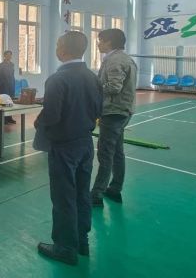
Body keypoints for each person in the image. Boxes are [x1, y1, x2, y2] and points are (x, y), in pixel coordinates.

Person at [34, 31, 102, 266]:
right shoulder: (92, 77)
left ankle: (64, 247)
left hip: (64, 146)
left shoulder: (57, 79)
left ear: (62, 50)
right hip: (85, 143)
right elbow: (99, 110)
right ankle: (82, 241)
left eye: (57, 45)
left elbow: (51, 116)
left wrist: (39, 122)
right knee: (82, 193)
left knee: (63, 197)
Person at [91, 28, 138, 207]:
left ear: (109, 42)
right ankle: (115, 189)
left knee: (105, 154)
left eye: (101, 40)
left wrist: (93, 88)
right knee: (117, 152)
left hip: (113, 112)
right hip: (123, 111)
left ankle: (96, 194)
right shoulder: (125, 58)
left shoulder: (115, 60)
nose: (98, 44)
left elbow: (114, 87)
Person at [0, 50, 16, 124]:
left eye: (10, 55)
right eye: (7, 55)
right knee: (4, 102)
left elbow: (12, 75)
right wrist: (1, 85)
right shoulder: (1, 65)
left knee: (10, 102)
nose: (9, 56)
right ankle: (4, 119)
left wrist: (13, 84)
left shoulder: (12, 64)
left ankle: (10, 118)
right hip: (4, 86)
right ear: (4, 56)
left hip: (11, 85)